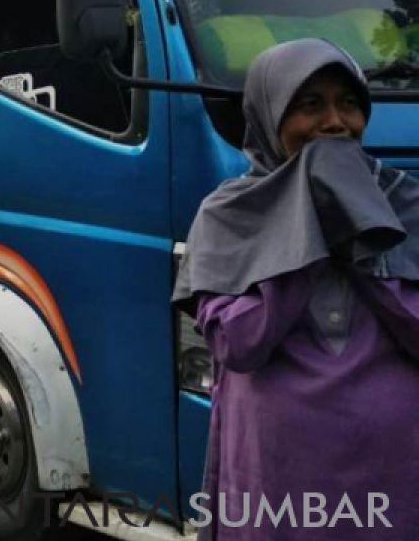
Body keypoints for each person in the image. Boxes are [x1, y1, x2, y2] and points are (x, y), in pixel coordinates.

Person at [174, 39, 419, 540]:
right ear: (269, 114)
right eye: (310, 105)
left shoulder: (405, 202)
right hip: (279, 476)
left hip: (393, 473)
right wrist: (303, 238)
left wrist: (361, 236)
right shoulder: (229, 215)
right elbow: (237, 344)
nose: (335, 122)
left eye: (349, 103)